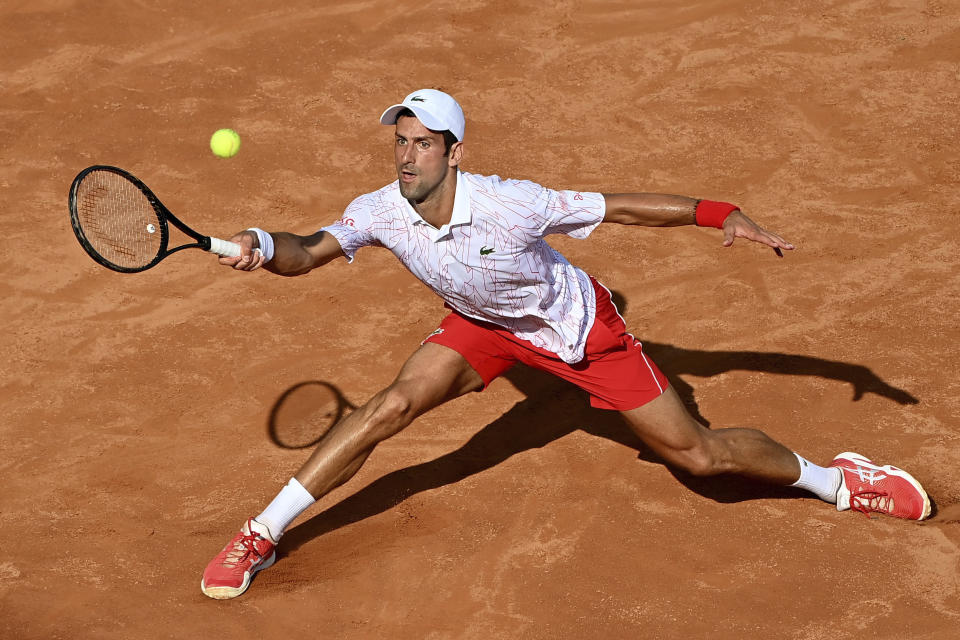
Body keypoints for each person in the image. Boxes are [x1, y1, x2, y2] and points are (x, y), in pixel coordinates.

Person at [199, 89, 931, 600]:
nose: (406, 157)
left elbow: (620, 208)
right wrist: (259, 246)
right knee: (392, 405)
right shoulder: (381, 211)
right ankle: (261, 533)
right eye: (400, 141)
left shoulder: (512, 203)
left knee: (699, 456)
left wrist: (719, 214)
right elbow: (308, 249)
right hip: (483, 328)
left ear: (454, 153)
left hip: (582, 336)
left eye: (423, 144)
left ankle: (839, 480)